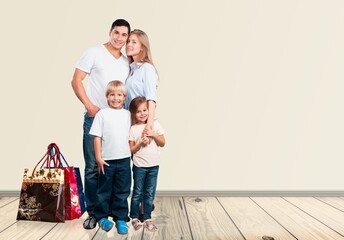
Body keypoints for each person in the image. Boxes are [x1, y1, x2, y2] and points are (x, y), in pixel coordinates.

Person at [71, 19, 131, 229]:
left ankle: (115, 213)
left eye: (124, 35)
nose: (119, 38)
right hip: (95, 118)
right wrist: (89, 105)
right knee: (93, 168)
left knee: (116, 168)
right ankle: (94, 213)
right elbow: (76, 80)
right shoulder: (94, 52)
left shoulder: (125, 62)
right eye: (116, 33)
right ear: (110, 32)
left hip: (119, 122)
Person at [125, 29, 159, 221]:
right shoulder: (132, 68)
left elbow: (151, 99)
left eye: (134, 42)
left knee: (146, 163)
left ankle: (145, 206)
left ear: (143, 46)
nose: (129, 44)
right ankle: (138, 203)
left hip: (143, 124)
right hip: (131, 124)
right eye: (128, 41)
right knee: (135, 163)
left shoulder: (147, 68)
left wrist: (149, 126)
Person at [89, 81, 131, 234]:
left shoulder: (128, 115)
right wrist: (98, 158)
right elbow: (97, 137)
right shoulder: (102, 114)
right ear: (107, 97)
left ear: (124, 97)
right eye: (112, 95)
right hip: (106, 161)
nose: (115, 98)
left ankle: (120, 218)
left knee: (122, 190)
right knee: (104, 191)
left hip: (125, 159)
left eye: (119, 95)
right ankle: (101, 217)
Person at [128, 96, 165, 232]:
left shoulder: (155, 125)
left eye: (145, 110)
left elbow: (163, 143)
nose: (143, 113)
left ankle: (148, 218)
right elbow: (131, 149)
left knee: (149, 193)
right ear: (133, 114)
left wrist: (153, 134)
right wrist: (140, 143)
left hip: (154, 166)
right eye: (139, 111)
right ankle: (134, 218)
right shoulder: (133, 129)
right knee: (137, 192)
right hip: (139, 166)